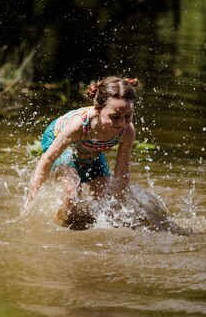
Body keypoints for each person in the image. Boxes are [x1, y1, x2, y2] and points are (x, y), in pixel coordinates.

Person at [25, 76, 139, 229]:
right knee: (72, 191)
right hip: (57, 138)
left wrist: (120, 209)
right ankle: (65, 229)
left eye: (127, 116)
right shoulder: (78, 125)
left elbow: (122, 173)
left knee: (104, 195)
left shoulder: (128, 131)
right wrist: (31, 197)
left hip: (90, 149)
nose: (121, 123)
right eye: (115, 117)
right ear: (98, 110)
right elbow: (47, 159)